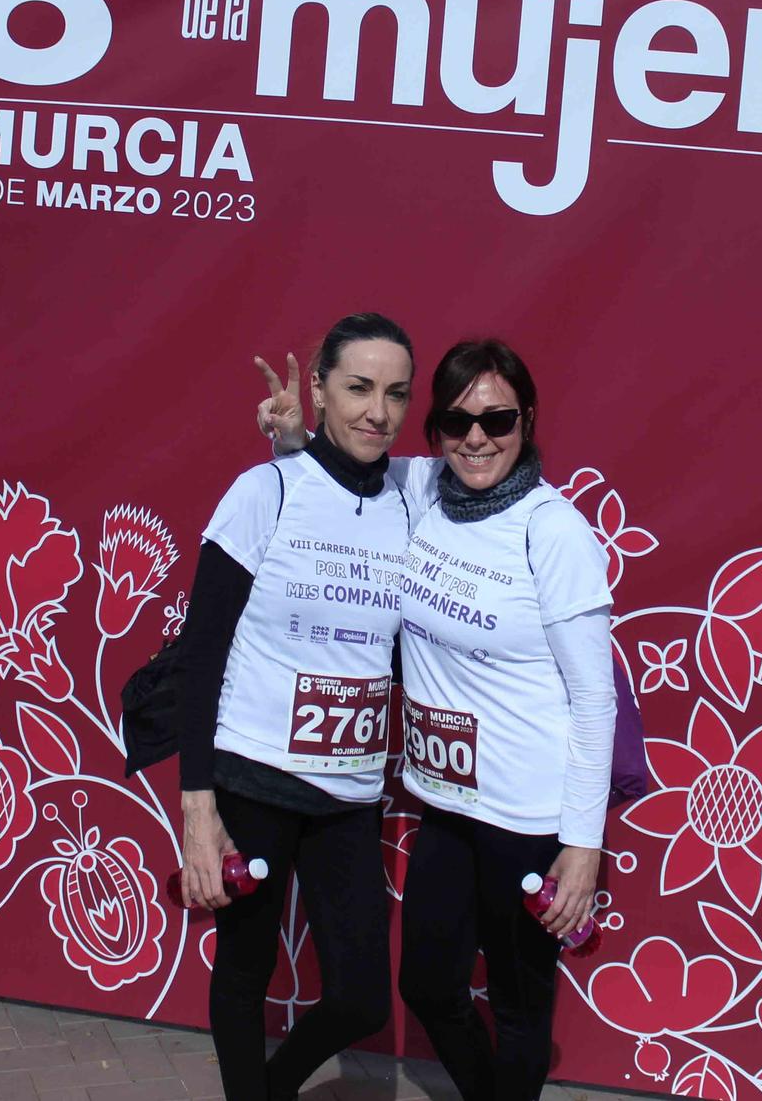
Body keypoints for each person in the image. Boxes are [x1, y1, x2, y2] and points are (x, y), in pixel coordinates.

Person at [261, 338, 614, 1101]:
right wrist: (295, 440)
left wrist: (582, 848)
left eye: (497, 418)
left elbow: (595, 699)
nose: (477, 438)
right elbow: (338, 479)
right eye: (456, 421)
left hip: (527, 813)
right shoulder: (421, 487)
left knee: (520, 1010)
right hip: (446, 804)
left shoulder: (553, 531)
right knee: (427, 983)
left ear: (529, 419)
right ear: (436, 430)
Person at [179, 313, 414, 1101]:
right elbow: (202, 654)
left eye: (394, 393)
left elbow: (490, 469)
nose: (376, 411)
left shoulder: (413, 495)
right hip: (253, 777)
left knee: (359, 997)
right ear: (318, 390)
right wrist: (198, 807)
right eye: (357, 388)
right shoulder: (262, 490)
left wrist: (295, 440)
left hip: (347, 794)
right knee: (244, 970)